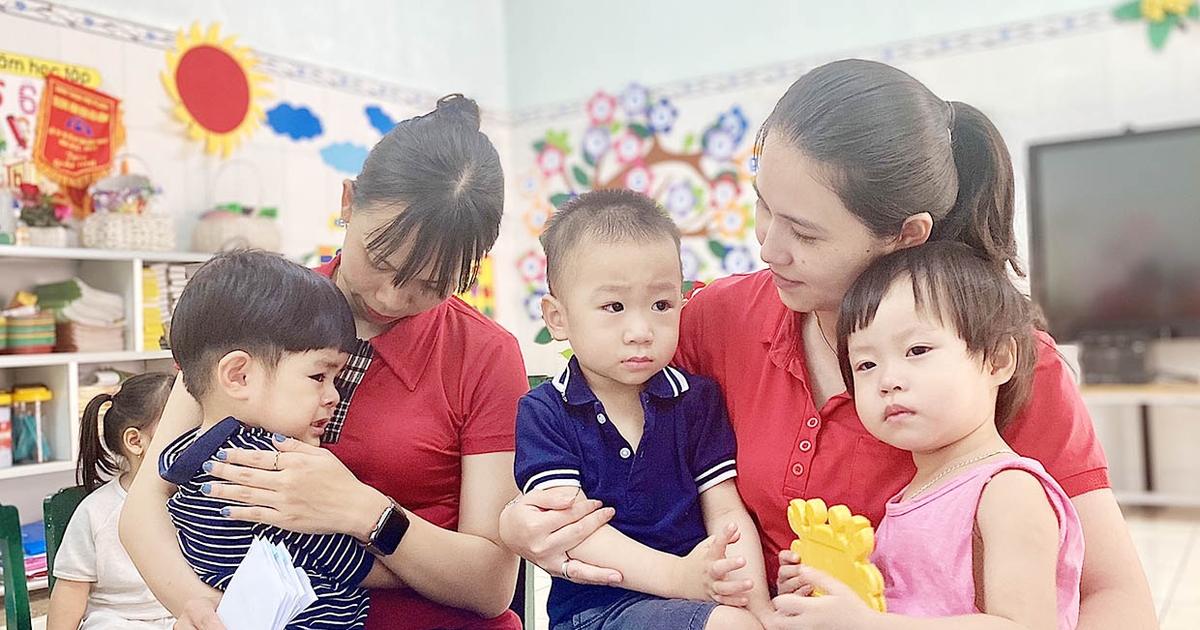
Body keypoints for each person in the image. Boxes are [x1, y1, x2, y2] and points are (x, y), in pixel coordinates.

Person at [498, 59, 1157, 630]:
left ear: (905, 234)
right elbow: (605, 436)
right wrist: (531, 524)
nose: (767, 246)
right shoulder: (715, 320)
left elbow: (1115, 596)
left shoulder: (1002, 359)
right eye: (762, 206)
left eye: (805, 234)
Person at [121, 94, 529, 630]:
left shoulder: (484, 354)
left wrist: (363, 512)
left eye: (432, 285)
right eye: (380, 261)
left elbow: (490, 586)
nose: (391, 297)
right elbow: (145, 505)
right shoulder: (255, 307)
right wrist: (196, 606)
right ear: (348, 203)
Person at [775, 241, 1084, 629]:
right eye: (866, 363)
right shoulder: (913, 494)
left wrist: (866, 624)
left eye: (917, 350)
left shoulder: (1008, 491)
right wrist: (828, 585)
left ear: (998, 360)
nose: (888, 380)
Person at [518, 190, 770, 630]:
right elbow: (574, 533)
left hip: (697, 600)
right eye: (613, 307)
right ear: (557, 317)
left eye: (661, 305)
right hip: (594, 611)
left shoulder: (697, 399)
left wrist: (759, 607)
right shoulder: (545, 412)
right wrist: (679, 577)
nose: (641, 331)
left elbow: (726, 512)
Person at [159, 250, 411, 629]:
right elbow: (348, 560)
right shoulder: (268, 467)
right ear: (239, 376)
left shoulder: (184, 455)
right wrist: (413, 571)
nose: (333, 397)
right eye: (318, 377)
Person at [47, 373, 175, 630]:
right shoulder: (97, 512)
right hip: (117, 621)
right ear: (136, 441)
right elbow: (70, 591)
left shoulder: (200, 500)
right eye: (181, 428)